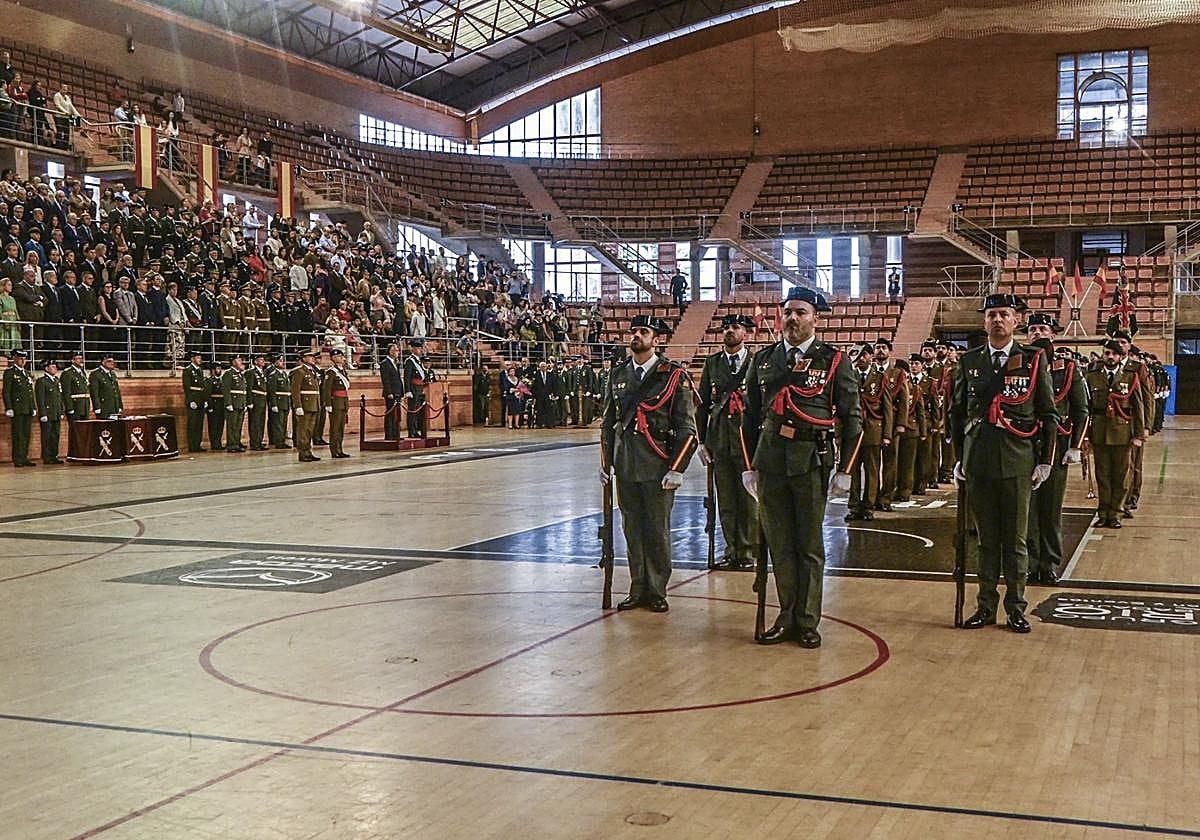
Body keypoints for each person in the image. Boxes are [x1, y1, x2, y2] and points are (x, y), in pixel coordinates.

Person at [741, 286, 861, 648]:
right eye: (788, 311)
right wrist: (749, 467)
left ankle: (807, 621)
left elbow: (852, 418)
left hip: (811, 461)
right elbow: (749, 418)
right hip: (771, 462)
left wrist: (846, 470)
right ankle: (786, 615)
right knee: (780, 544)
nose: (792, 318)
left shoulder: (834, 360)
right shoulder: (764, 360)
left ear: (815, 319)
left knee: (809, 546)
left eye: (801, 312)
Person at [950, 293, 1057, 634]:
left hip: (1017, 461)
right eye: (992, 315)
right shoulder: (969, 361)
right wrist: (958, 459)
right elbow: (956, 414)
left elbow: (1048, 414)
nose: (997, 320)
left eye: (1004, 315)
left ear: (1016, 321)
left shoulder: (1033, 359)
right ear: (984, 321)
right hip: (979, 461)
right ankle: (985, 606)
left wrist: (1045, 462)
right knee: (985, 541)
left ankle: (1016, 608)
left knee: (1015, 541)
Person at [599, 315, 697, 613]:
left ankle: (656, 589)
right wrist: (606, 463)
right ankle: (637, 586)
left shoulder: (673, 375)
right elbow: (608, 424)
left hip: (658, 466)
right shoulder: (618, 374)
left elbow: (687, 428)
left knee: (656, 530)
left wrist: (677, 468)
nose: (637, 336)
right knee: (632, 529)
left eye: (644, 332)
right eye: (634, 331)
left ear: (657, 339)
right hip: (626, 465)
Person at [1025, 314, 1088, 585]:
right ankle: (1029, 563)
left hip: (1056, 447)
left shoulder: (1068, 368)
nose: (1037, 333)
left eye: (1043, 329)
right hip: (1025, 444)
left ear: (1053, 334)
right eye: (1032, 329)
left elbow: (1081, 410)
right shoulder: (1019, 364)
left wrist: (1075, 446)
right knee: (1027, 511)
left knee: (1050, 510)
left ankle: (1049, 563)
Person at [696, 313, 758, 571]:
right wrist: (701, 441)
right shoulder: (713, 363)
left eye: (735, 327)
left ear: (746, 333)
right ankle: (731, 550)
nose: (729, 331)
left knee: (749, 500)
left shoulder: (756, 362)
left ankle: (748, 551)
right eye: (726, 328)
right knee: (726, 500)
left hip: (747, 440)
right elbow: (702, 404)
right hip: (720, 439)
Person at [1085, 340, 1144, 529]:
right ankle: (1103, 513)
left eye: (1114, 354)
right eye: (1107, 353)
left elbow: (1138, 407)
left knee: (1121, 475)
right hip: (1099, 431)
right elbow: (1086, 407)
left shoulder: (1130, 377)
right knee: (1102, 475)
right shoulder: (1092, 376)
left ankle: (1117, 513)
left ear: (1120, 356)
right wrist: (1085, 436)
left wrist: (1139, 435)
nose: (1110, 357)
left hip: (1122, 432)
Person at [847, 344, 893, 522]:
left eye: (864, 355)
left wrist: (887, 434)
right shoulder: (849, 376)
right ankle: (854, 506)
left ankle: (869, 506)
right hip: (852, 431)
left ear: (870, 357)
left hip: (873, 430)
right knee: (853, 471)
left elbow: (887, 408)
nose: (861, 359)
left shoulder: (879, 378)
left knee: (872, 471)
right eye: (858, 355)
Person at [875, 338, 908, 511]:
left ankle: (885, 498)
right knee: (872, 463)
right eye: (877, 347)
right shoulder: (870, 372)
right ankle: (872, 496)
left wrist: (901, 423)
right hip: (873, 423)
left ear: (890, 351)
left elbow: (904, 400)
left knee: (890, 462)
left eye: (884, 347)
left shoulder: (897, 373)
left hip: (893, 423)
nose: (880, 350)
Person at [3, 348, 35, 466]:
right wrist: (9, 407)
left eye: (24, 359)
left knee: (26, 434)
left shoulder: (26, 373)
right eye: (20, 358)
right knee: (18, 434)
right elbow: (6, 391)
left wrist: (33, 407)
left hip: (27, 408)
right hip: (17, 408)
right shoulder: (10, 372)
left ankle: (24, 457)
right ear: (15, 359)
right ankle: (18, 458)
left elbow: (30, 393)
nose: (23, 361)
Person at [290, 347, 321, 462]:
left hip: (313, 404)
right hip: (305, 404)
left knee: (309, 430)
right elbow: (295, 390)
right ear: (303, 358)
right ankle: (303, 453)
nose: (312, 358)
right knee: (303, 430)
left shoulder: (312, 371)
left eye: (313, 356)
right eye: (310, 356)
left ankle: (308, 451)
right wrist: (298, 406)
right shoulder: (299, 371)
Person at [321, 348, 351, 458]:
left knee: (341, 428)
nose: (341, 358)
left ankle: (340, 449)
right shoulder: (331, 372)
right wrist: (328, 404)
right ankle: (334, 451)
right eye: (338, 356)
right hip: (335, 403)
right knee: (335, 427)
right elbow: (327, 389)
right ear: (333, 358)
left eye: (341, 356)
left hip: (343, 402)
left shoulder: (343, 371)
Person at [34, 358, 64, 464]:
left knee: (55, 435)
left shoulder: (56, 380)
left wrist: (61, 411)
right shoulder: (42, 381)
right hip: (47, 413)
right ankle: (47, 457)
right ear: (46, 368)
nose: (55, 368)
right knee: (47, 436)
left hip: (56, 412)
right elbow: (40, 399)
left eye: (55, 366)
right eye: (53, 366)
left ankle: (54, 456)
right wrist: (42, 413)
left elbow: (60, 397)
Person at [403, 338, 430, 438]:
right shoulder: (410, 361)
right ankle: (412, 431)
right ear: (413, 349)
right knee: (412, 410)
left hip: (419, 388)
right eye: (418, 348)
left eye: (421, 348)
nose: (421, 350)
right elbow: (407, 377)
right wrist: (408, 391)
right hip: (413, 389)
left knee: (417, 411)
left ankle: (415, 430)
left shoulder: (418, 361)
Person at [221, 354, 248, 452]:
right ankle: (231, 445)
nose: (241, 362)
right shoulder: (228, 374)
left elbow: (243, 391)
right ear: (233, 362)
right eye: (238, 360)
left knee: (238, 425)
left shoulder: (240, 374)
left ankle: (237, 442)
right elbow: (226, 390)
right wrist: (228, 403)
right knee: (232, 425)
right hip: (233, 403)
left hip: (240, 403)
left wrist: (244, 403)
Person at [182, 349, 207, 452]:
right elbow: (187, 387)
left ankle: (197, 444)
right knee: (192, 423)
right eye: (197, 358)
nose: (200, 359)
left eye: (200, 358)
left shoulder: (200, 370)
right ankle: (192, 445)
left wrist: (205, 400)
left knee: (199, 424)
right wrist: (190, 400)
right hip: (193, 399)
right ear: (192, 359)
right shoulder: (188, 370)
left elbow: (203, 386)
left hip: (200, 399)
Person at [266, 352, 292, 449]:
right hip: (278, 401)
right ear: (276, 363)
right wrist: (273, 404)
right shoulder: (273, 375)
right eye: (280, 361)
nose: (283, 363)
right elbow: (272, 391)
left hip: (285, 401)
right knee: (278, 423)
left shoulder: (284, 374)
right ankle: (278, 442)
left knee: (284, 423)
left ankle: (282, 440)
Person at [379, 342, 404, 440]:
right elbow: (385, 379)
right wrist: (388, 392)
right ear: (390, 351)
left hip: (397, 392)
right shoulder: (385, 363)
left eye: (398, 350)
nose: (398, 352)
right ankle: (389, 435)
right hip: (391, 393)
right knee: (390, 413)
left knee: (396, 414)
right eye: (395, 350)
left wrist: (401, 391)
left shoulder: (395, 363)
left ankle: (396, 434)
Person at [246, 352, 269, 450]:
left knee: (261, 422)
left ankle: (259, 441)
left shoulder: (263, 372)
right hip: (255, 400)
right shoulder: (251, 372)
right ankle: (254, 443)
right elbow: (249, 388)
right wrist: (249, 402)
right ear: (255, 361)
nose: (263, 361)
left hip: (262, 400)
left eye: (263, 360)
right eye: (261, 360)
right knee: (255, 422)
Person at [61, 350, 91, 428]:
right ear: (72, 360)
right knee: (75, 430)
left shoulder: (83, 372)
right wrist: (69, 407)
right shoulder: (68, 373)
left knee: (84, 429)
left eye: (81, 358)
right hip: (75, 406)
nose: (81, 360)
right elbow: (66, 392)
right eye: (78, 358)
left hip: (84, 406)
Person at [89, 353, 123, 418]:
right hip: (104, 408)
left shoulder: (113, 374)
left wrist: (119, 405)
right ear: (103, 362)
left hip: (114, 407)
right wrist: (97, 407)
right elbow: (94, 392)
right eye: (109, 361)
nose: (112, 363)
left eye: (113, 361)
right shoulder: (96, 374)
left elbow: (117, 391)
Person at [206, 359, 225, 451]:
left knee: (220, 425)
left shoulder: (222, 380)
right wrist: (210, 406)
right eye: (217, 368)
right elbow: (207, 394)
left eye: (220, 368)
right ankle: (214, 443)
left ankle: (218, 442)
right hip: (214, 405)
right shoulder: (209, 380)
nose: (219, 370)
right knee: (213, 425)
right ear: (213, 370)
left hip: (221, 405)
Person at [0, 276, 20, 355]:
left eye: (11, 285)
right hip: (5, 321)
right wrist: (3, 320)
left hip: (14, 321)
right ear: (3, 286)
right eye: (9, 285)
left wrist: (18, 321)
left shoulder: (12, 299)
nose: (11, 287)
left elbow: (16, 311)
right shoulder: (0, 298)